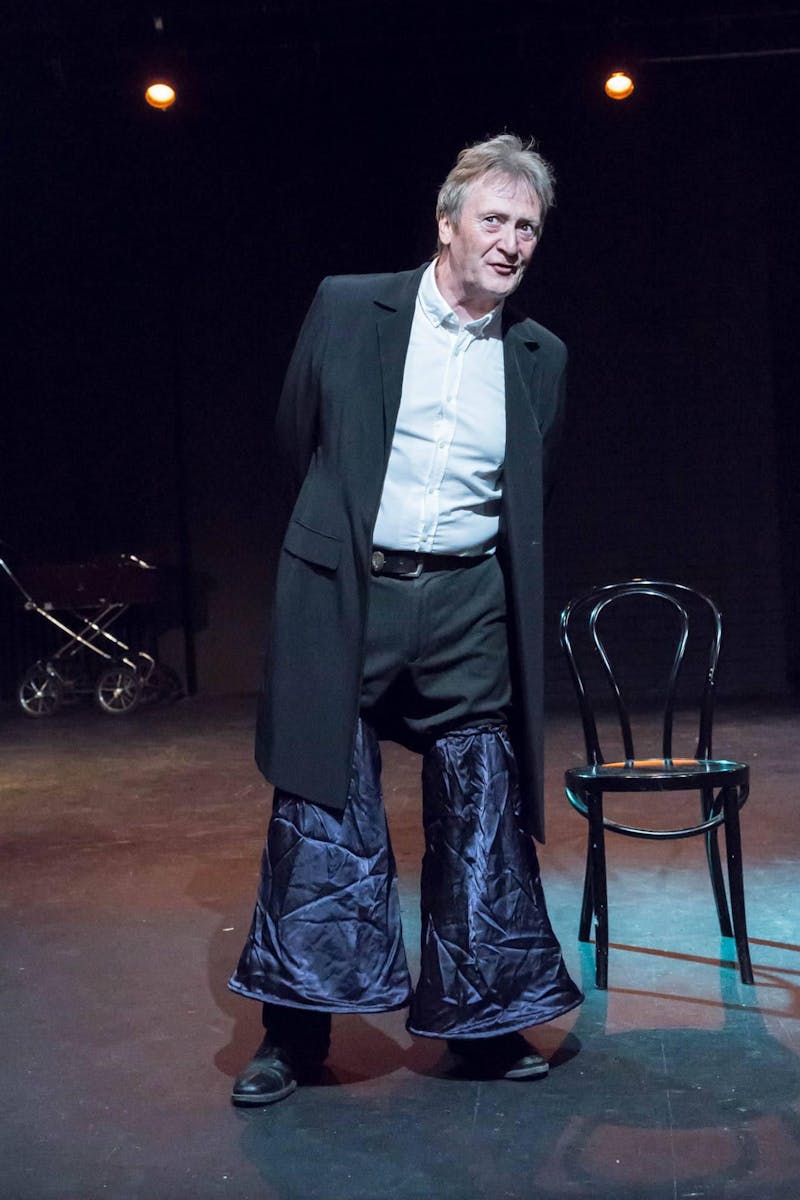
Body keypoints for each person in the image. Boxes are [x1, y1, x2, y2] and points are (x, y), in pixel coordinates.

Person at [228, 133, 583, 1105]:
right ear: (446, 224)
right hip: (355, 590)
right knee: (320, 809)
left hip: (467, 602)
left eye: (528, 228)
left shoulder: (539, 357)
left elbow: (531, 488)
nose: (510, 243)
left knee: (481, 811)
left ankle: (484, 1025)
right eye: (494, 220)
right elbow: (294, 434)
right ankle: (294, 1037)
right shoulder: (350, 308)